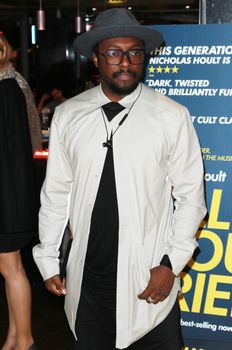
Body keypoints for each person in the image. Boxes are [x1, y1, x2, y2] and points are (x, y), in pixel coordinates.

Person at [33, 8, 206, 350]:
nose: (125, 62)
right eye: (113, 53)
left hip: (148, 278)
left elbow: (191, 196)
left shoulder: (171, 116)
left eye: (134, 53)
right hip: (87, 281)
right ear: (97, 59)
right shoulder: (69, 115)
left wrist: (170, 264)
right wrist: (48, 259)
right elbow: (55, 194)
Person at [0, 35, 37, 350]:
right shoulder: (12, 86)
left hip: (6, 202)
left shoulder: (5, 90)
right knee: (12, 268)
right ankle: (14, 337)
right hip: (11, 199)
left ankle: (25, 341)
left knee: (11, 270)